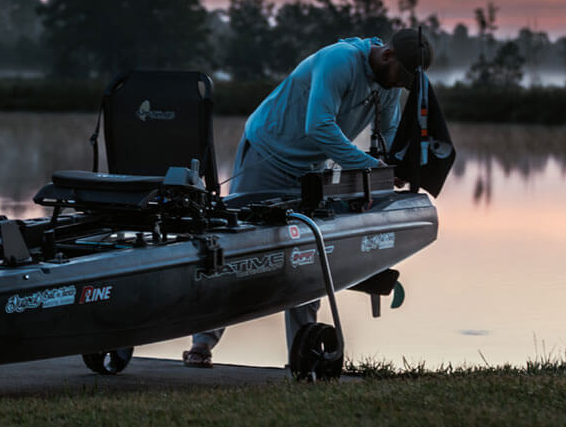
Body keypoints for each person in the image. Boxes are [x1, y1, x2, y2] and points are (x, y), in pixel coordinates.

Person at [182, 27, 433, 367]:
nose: (400, 85)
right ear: (387, 56)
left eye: (407, 83)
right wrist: (371, 166)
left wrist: (391, 171)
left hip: (312, 170)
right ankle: (202, 344)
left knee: (308, 258)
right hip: (268, 154)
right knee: (238, 249)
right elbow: (320, 126)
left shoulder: (387, 86)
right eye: (401, 77)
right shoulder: (339, 61)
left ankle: (302, 356)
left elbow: (387, 133)